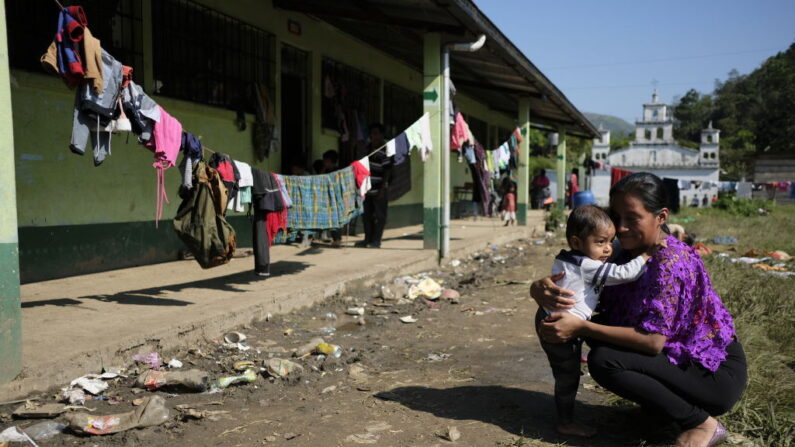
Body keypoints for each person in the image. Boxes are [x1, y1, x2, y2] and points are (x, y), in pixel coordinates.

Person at [530, 173, 747, 447]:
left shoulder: (670, 262)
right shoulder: (621, 251)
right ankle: (663, 411)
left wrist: (582, 327)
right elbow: (576, 274)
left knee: (605, 360)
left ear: (661, 217)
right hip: (678, 363)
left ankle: (700, 423)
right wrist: (537, 288)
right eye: (616, 217)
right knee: (597, 336)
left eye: (632, 218)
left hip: (711, 373)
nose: (620, 228)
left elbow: (653, 342)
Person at [537, 205, 653, 437]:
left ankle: (565, 413)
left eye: (610, 241)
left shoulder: (567, 258)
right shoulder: (586, 265)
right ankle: (565, 422)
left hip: (549, 317)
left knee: (566, 371)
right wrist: (647, 255)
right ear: (577, 242)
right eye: (600, 242)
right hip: (559, 326)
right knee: (567, 376)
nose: (608, 249)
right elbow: (624, 274)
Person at [355, 123, 392, 248]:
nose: (373, 136)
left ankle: (376, 241)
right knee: (366, 216)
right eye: (372, 134)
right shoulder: (368, 148)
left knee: (379, 216)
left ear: (382, 135)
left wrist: (382, 188)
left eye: (376, 133)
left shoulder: (386, 149)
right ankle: (367, 239)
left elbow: (387, 170)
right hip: (366, 188)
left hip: (379, 188)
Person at [322, 150, 343, 247]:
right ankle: (336, 238)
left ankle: (337, 239)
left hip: (336, 199)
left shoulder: (337, 172)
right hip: (328, 199)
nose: (325, 163)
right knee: (331, 220)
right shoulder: (325, 171)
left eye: (326, 161)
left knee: (336, 220)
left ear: (332, 161)